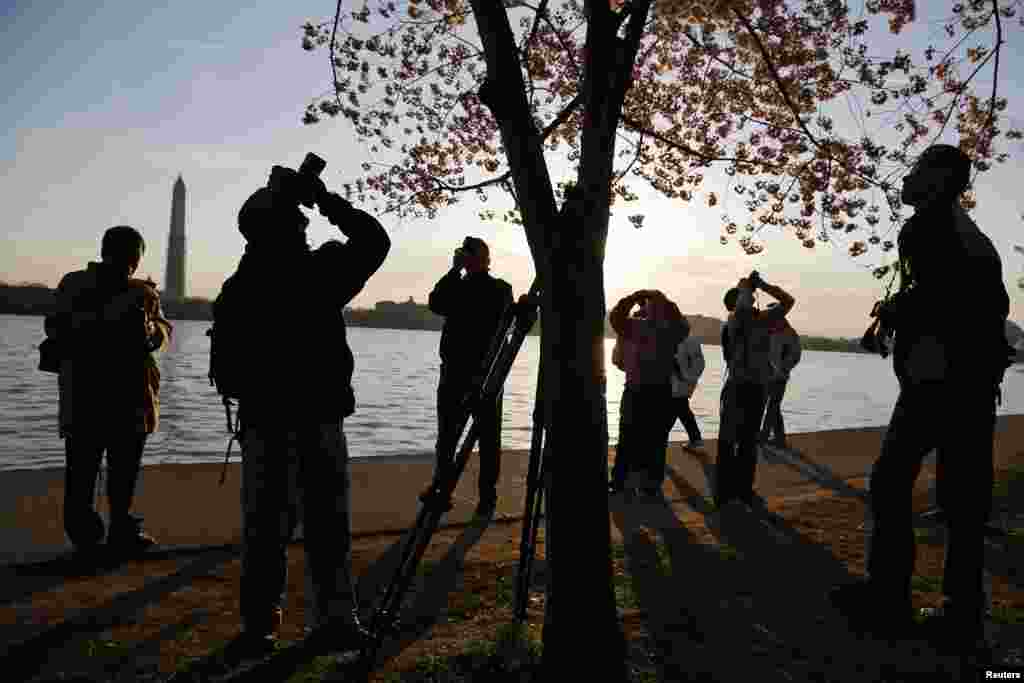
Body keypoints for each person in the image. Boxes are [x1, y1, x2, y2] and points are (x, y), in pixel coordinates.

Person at [829, 144, 1014, 656]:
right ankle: (961, 615)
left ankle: (887, 597)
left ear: (938, 180)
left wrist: (896, 310)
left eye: (916, 170)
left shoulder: (926, 226)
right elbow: (989, 303)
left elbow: (939, 299)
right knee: (962, 500)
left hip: (939, 381)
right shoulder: (973, 236)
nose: (907, 178)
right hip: (974, 384)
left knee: (889, 484)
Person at [221, 161, 390, 654]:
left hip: (261, 422)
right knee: (327, 527)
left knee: (264, 530)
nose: (305, 228)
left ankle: (259, 627)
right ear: (291, 229)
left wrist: (293, 198)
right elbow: (374, 241)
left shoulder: (240, 286)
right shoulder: (318, 273)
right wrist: (325, 198)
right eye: (299, 221)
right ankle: (336, 620)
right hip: (317, 419)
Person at [44, 226, 172, 560]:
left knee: (83, 471)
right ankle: (118, 531)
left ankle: (87, 534)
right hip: (127, 398)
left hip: (85, 397)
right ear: (134, 257)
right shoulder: (139, 293)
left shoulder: (72, 285)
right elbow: (160, 333)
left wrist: (146, 329)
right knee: (121, 472)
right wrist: (134, 326)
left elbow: (54, 326)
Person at [428, 236, 513, 518]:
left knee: (486, 439)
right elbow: (435, 303)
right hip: (454, 371)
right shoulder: (459, 285)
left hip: (485, 374)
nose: (466, 259)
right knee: (448, 435)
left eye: (469, 255)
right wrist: (454, 271)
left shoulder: (499, 290)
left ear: (483, 258)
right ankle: (442, 488)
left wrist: (456, 274)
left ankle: (486, 496)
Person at [717, 273, 795, 507]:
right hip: (738, 386)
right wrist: (744, 288)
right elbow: (741, 310)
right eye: (746, 296)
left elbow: (788, 301)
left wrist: (763, 285)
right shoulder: (733, 320)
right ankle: (725, 492)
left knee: (748, 442)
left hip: (755, 387)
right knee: (729, 441)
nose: (750, 299)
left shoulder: (763, 319)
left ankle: (742, 490)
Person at [608, 290, 686, 496]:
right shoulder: (664, 329)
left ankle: (624, 481)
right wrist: (657, 299)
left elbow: (615, 317)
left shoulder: (645, 327)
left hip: (644, 391)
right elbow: (615, 317)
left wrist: (637, 296)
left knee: (639, 438)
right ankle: (642, 482)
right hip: (652, 391)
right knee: (652, 440)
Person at [759, 305, 801, 449]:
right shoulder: (767, 330)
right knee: (773, 407)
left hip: (780, 377)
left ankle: (764, 436)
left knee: (772, 406)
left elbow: (796, 355)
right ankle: (780, 438)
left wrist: (784, 367)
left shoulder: (790, 333)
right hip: (766, 375)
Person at [670, 316, 706, 449]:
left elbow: (699, 365)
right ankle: (696, 439)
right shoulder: (675, 341)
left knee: (676, 411)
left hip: (680, 385)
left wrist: (684, 376)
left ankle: (656, 445)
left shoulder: (691, 342)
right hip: (676, 385)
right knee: (682, 411)